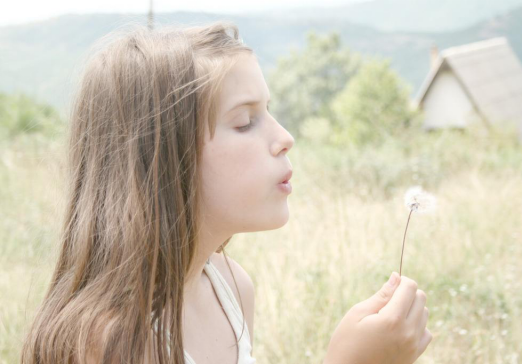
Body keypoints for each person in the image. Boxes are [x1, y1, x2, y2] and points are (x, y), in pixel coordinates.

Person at [20, 21, 431, 364]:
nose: (284, 137)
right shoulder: (108, 344)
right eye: (245, 122)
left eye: (268, 111)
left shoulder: (231, 287)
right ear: (163, 160)